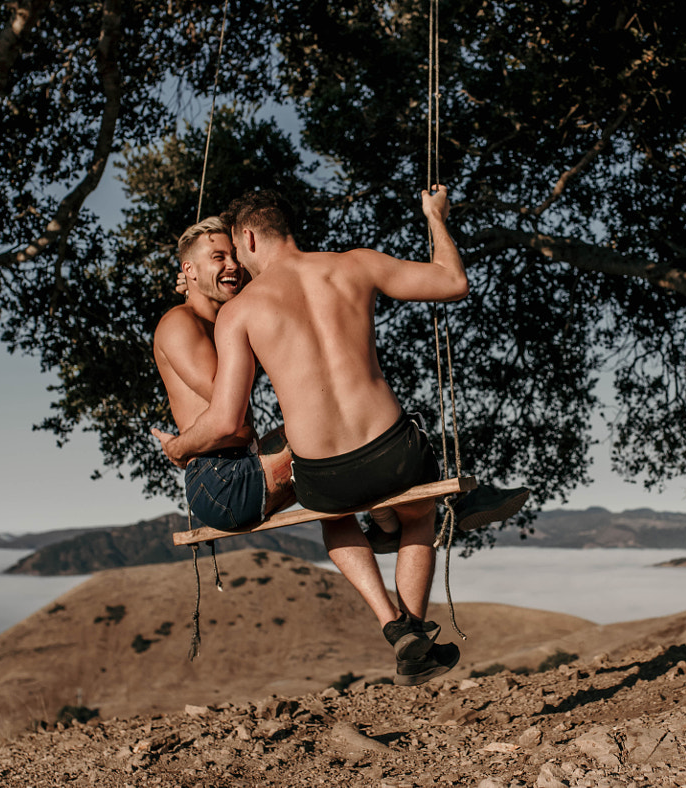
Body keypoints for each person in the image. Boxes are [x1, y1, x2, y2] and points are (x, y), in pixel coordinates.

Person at [154, 185, 519, 685]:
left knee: (333, 513)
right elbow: (453, 282)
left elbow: (224, 419)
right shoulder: (355, 263)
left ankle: (395, 625)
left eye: (234, 252)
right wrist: (435, 216)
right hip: (394, 453)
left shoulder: (241, 313)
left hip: (325, 475)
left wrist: (176, 446)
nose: (237, 267)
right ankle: (411, 617)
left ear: (248, 238)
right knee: (420, 512)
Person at [152, 216, 295, 532]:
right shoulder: (180, 323)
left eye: (235, 256)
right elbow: (229, 410)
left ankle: (385, 528)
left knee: (332, 432)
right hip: (221, 480)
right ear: (189, 270)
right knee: (324, 435)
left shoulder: (223, 326)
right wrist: (178, 448)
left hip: (238, 468)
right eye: (219, 257)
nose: (233, 264)